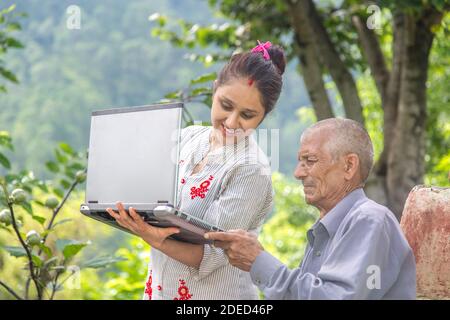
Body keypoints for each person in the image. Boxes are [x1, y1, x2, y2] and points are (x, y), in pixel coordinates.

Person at [106, 41, 286, 299]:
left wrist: (151, 236)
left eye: (247, 115)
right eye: (226, 105)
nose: (232, 122)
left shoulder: (250, 170)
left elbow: (210, 255)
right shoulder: (188, 139)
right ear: (214, 91)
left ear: (263, 116)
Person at [205, 118, 416, 299]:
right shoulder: (326, 228)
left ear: (349, 166)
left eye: (310, 160)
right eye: (300, 162)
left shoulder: (370, 220)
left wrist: (258, 261)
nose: (298, 173)